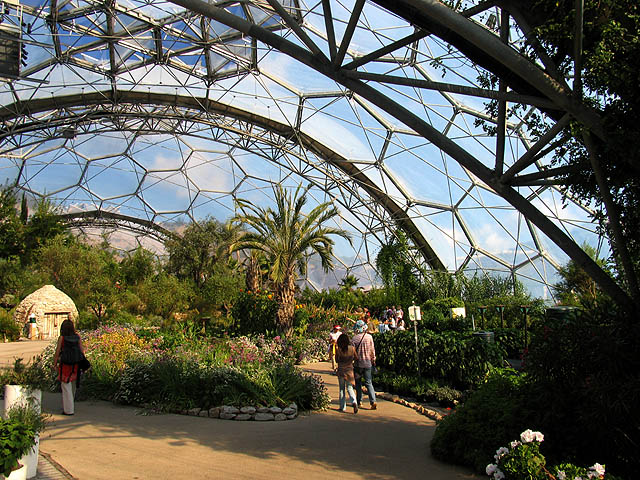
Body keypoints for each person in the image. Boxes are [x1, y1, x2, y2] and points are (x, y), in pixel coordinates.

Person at [52, 319, 85, 415]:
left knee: (66, 386)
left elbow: (57, 352)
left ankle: (68, 409)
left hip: (65, 364)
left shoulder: (62, 338)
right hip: (76, 364)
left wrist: (54, 364)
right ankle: (71, 405)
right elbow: (82, 351)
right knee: (73, 385)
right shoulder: (77, 337)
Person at [351, 319, 377, 410]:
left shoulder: (354, 338)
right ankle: (373, 401)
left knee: (358, 384)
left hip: (358, 364)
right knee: (369, 383)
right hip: (368, 363)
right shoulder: (369, 337)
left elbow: (352, 352)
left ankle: (359, 401)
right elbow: (372, 350)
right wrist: (373, 359)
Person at [335, 332, 359, 413]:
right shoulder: (352, 348)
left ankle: (342, 407)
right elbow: (357, 358)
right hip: (349, 370)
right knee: (350, 388)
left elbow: (337, 360)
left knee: (342, 389)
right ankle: (354, 402)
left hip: (341, 370)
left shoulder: (339, 350)